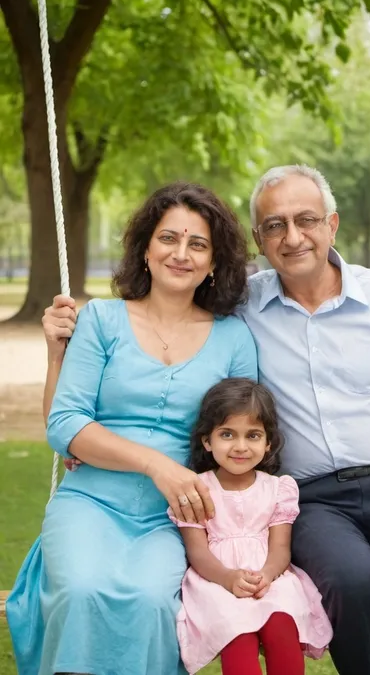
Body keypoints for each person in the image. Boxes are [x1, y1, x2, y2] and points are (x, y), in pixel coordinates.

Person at [40, 164, 370, 675]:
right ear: (258, 241)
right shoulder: (245, 308)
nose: (292, 237)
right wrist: (63, 350)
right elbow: (147, 340)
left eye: (306, 220)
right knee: (354, 584)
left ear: (332, 225)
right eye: (273, 226)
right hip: (313, 499)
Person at [6, 182, 259, 675]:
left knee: (150, 602)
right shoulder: (102, 320)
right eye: (168, 238)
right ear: (145, 248)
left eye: (198, 244)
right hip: (91, 501)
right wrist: (157, 465)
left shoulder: (233, 339)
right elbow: (64, 423)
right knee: (79, 591)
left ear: (213, 263)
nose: (180, 253)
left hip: (175, 520)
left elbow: (243, 435)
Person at [170, 377, 332, 675]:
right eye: (228, 434)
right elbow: (198, 552)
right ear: (207, 440)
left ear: (268, 442)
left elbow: (280, 547)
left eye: (253, 436)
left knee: (282, 622)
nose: (240, 446)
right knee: (236, 632)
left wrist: (267, 575)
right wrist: (228, 577)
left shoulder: (278, 489)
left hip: (269, 577)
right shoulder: (196, 490)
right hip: (216, 580)